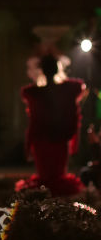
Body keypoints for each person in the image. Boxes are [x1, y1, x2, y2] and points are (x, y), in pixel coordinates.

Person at [16, 53, 86, 195]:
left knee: (48, 177)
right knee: (56, 177)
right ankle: (56, 209)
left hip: (45, 140)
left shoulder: (35, 93)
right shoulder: (66, 90)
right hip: (57, 139)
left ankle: (49, 209)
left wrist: (28, 145)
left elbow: (34, 122)